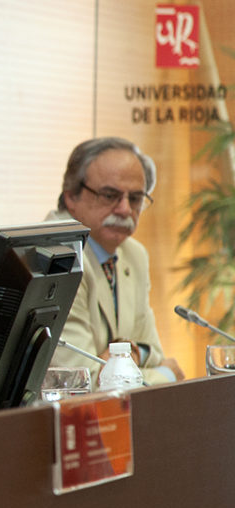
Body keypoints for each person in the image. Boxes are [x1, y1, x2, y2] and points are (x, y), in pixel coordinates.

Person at [46, 137, 185, 385]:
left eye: (135, 198)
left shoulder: (134, 254)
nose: (124, 209)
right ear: (71, 197)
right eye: (110, 195)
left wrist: (134, 352)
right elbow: (81, 382)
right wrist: (166, 375)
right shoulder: (56, 255)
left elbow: (152, 351)